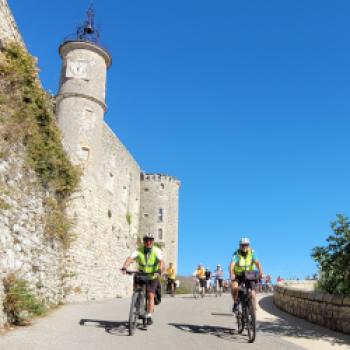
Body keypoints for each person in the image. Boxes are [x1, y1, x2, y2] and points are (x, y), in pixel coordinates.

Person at [121, 233, 164, 325]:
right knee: (136, 287)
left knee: (150, 295)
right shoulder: (139, 250)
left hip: (152, 276)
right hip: (141, 274)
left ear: (153, 242)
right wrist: (124, 267)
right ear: (144, 242)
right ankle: (136, 301)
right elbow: (130, 258)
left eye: (150, 240)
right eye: (146, 240)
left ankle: (149, 315)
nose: (148, 242)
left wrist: (159, 270)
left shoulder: (157, 251)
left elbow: (161, 262)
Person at [229, 237, 263, 312]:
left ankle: (253, 308)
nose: (244, 247)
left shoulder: (252, 252)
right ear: (240, 245)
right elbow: (231, 265)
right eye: (242, 245)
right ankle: (235, 303)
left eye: (246, 245)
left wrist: (261, 272)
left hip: (249, 275)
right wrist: (232, 274)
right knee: (234, 287)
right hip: (238, 275)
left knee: (253, 293)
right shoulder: (236, 254)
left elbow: (257, 263)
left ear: (248, 245)